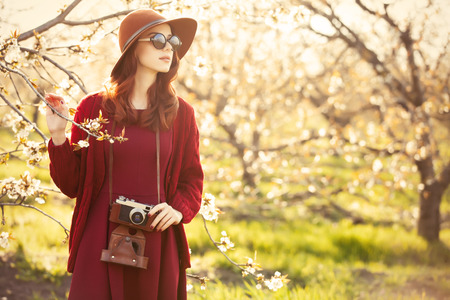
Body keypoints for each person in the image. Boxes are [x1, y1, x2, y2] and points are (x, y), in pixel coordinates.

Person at [45, 9, 203, 300]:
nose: (168, 47)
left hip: (158, 236)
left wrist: (178, 209)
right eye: (158, 39)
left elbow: (191, 178)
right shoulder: (93, 109)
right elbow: (71, 185)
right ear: (133, 46)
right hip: (100, 237)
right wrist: (58, 136)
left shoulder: (182, 113)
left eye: (173, 41)